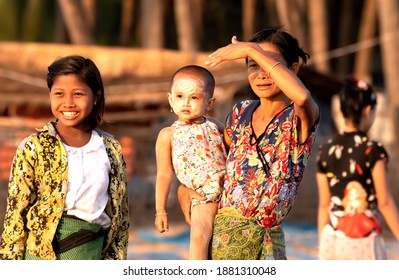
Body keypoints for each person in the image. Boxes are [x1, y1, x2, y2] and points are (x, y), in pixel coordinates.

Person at [177, 27, 320, 260]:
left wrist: (250, 49)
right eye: (253, 64)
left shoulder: (299, 116)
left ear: (293, 70)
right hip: (221, 241)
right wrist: (184, 190)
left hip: (265, 249)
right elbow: (214, 167)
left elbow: (302, 96)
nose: (261, 73)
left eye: (270, 63)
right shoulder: (239, 112)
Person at [0, 55, 130, 260]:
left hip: (91, 255)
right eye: (59, 94)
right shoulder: (34, 147)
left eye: (78, 94)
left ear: (95, 97)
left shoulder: (110, 149)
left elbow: (120, 219)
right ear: (50, 95)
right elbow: (15, 215)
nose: (68, 103)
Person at [316, 77, 399, 259]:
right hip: (363, 239)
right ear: (368, 110)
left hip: (331, 238)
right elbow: (384, 203)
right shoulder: (372, 150)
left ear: (342, 110)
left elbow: (324, 205)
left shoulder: (325, 150)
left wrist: (321, 244)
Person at [154, 65, 227, 260]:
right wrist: (160, 211)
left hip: (229, 194)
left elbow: (237, 147)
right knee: (199, 238)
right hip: (201, 197)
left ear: (209, 103)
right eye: (179, 96)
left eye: (194, 97)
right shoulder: (168, 135)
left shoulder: (215, 126)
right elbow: (163, 174)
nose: (186, 102)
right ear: (170, 99)